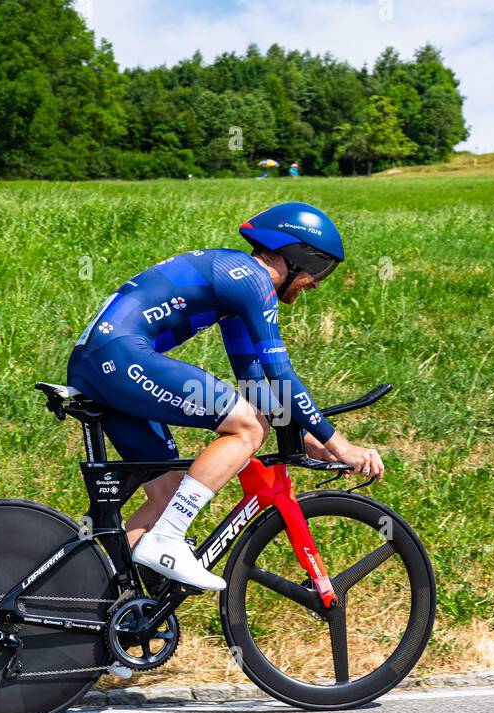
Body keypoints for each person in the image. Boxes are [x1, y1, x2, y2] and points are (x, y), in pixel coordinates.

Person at [64, 203, 383, 590]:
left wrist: (310, 440)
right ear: (296, 256)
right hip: (118, 356)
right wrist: (342, 445)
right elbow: (281, 373)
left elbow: (253, 383)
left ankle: (103, 603)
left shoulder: (235, 286)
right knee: (247, 430)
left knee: (166, 489)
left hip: (99, 362)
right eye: (320, 270)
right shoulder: (252, 281)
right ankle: (167, 540)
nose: (316, 283)